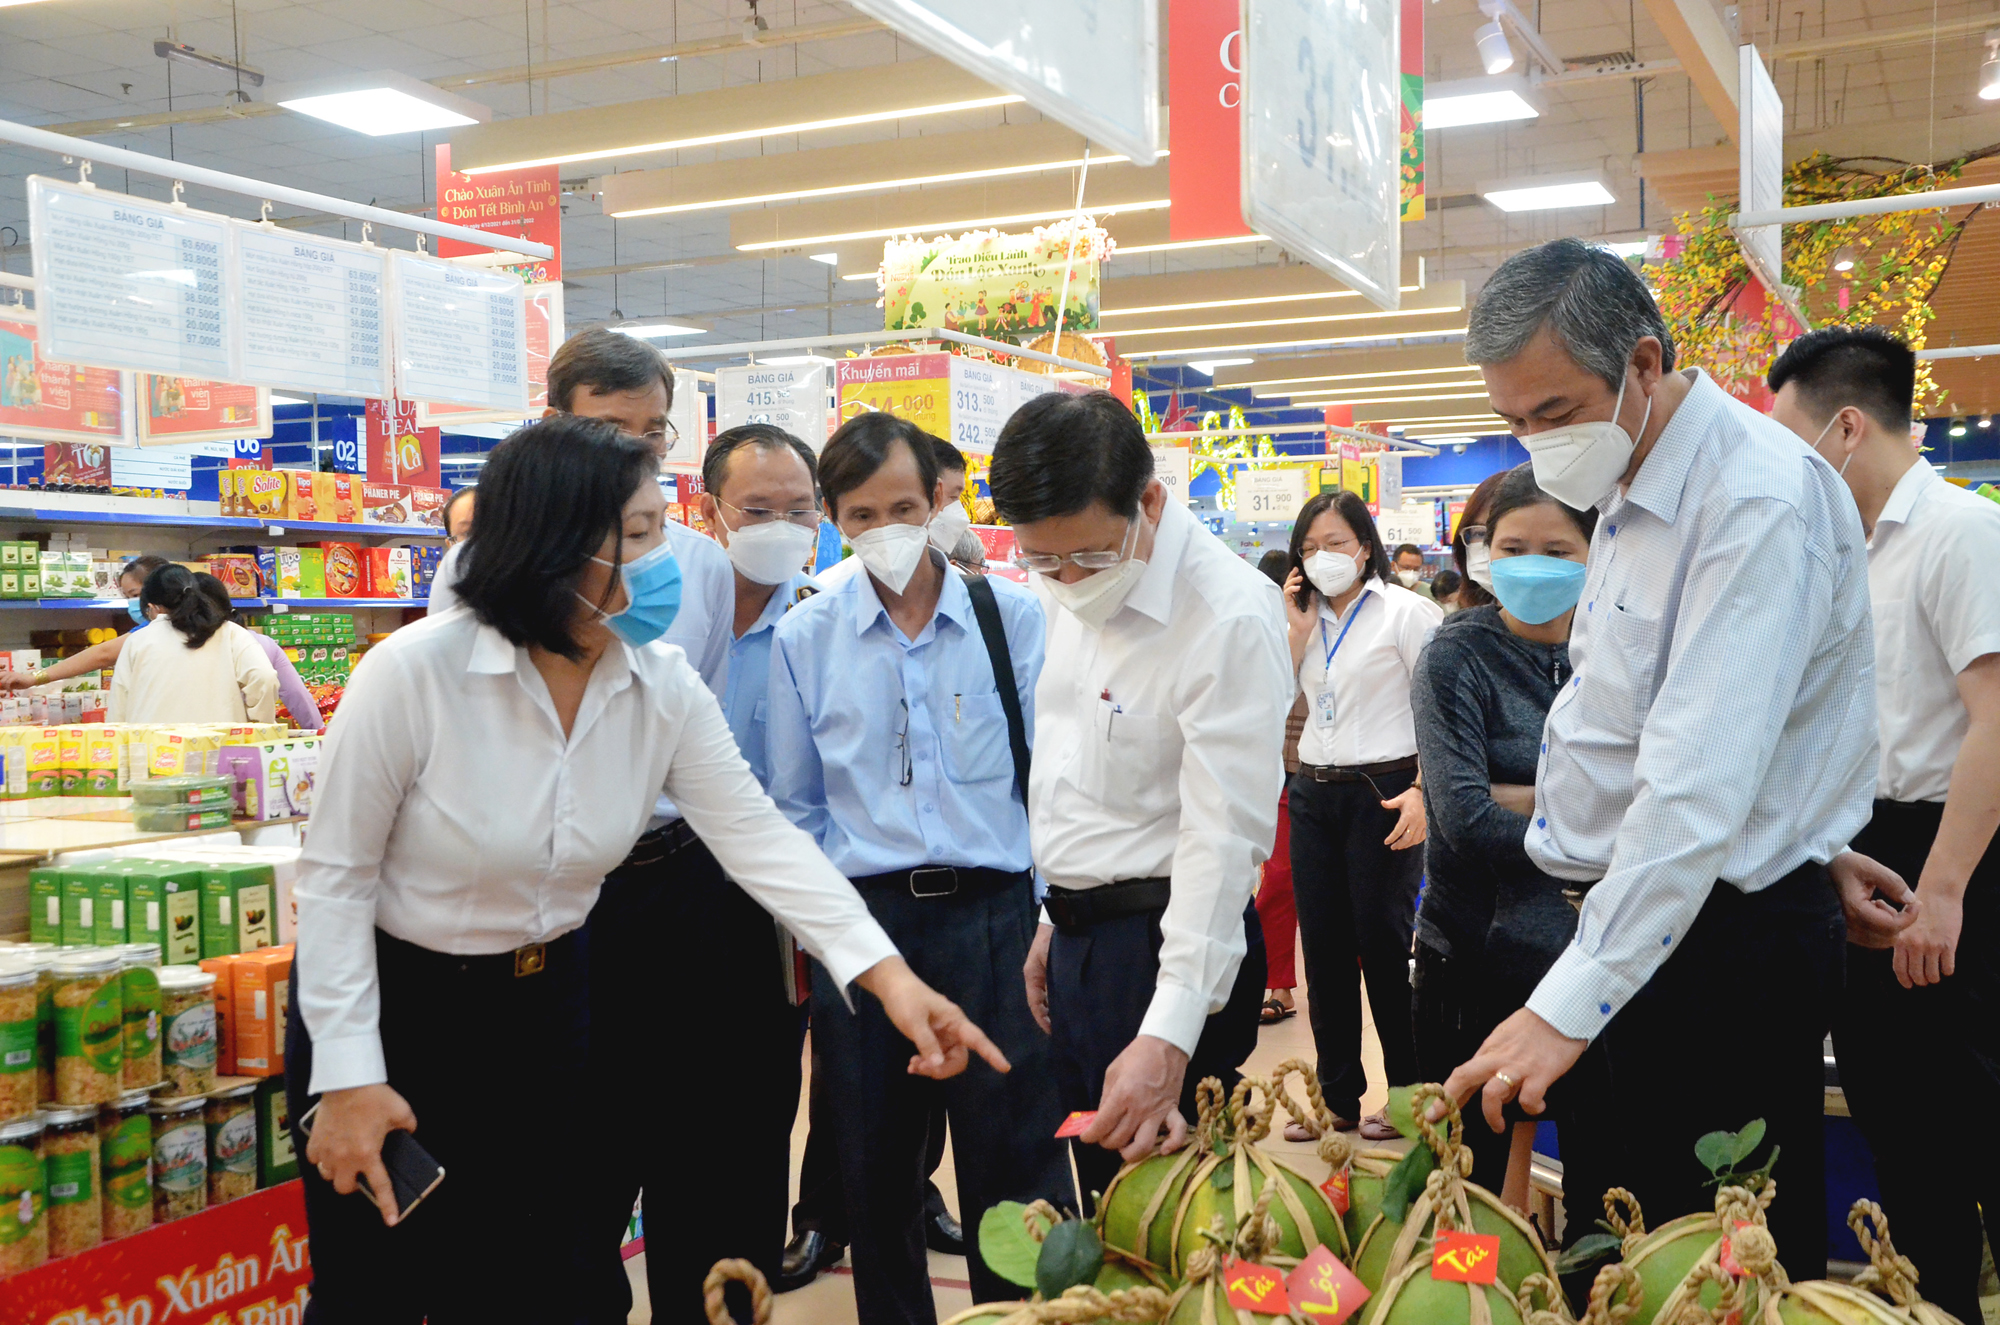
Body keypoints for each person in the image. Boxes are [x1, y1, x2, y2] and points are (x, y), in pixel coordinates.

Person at [289, 415, 1006, 1323]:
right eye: (636, 533)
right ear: (549, 541)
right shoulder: (415, 674)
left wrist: (892, 980)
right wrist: (348, 1076)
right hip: (397, 1011)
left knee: (537, 1282)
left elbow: (762, 840)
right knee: (377, 1290)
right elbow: (336, 880)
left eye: (660, 526)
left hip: (547, 1008)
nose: (666, 558)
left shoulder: (658, 683)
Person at [1441, 238, 1875, 1279]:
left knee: (1706, 1263)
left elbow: (1690, 789)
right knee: (1621, 1239)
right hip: (1644, 921)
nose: (1535, 444)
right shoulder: (1634, 488)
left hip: (1705, 949)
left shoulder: (1749, 499)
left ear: (1641, 362)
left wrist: (1564, 1003)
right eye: (1512, 421)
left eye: (1552, 413)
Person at [766, 412, 1064, 1323]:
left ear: (938, 498)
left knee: (1013, 1159)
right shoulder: (806, 638)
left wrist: (1048, 917)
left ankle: (1019, 1315)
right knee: (876, 1165)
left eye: (905, 504)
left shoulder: (1008, 617)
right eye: (862, 514)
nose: (888, 528)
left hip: (998, 920)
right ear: (833, 519)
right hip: (869, 929)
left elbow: (1052, 783)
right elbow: (795, 811)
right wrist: (830, 942)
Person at [990, 390, 1288, 1196]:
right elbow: (1072, 765)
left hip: (1169, 946)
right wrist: (1058, 913)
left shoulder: (1225, 616)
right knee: (1100, 1198)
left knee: (1176, 1218)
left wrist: (1168, 1035)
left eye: (1086, 555)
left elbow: (1222, 841)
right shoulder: (1072, 587)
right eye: (1043, 561)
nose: (1067, 578)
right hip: (1084, 942)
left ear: (1148, 501)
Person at [1768, 327, 2000, 1322]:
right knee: (1898, 1122)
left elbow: (1995, 713)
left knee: (1977, 1116)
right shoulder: (1838, 549)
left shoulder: (1958, 532)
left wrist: (1943, 887)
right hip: (1863, 853)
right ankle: (1932, 1299)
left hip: (1953, 854)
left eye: (1788, 438)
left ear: (1846, 426)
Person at [1409, 463, 1594, 1208]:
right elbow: (1463, 818)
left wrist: (1522, 794)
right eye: (1512, 548)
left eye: (1557, 549)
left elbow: (1662, 794)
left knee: (1605, 1186)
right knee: (1469, 1191)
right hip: (1473, 957)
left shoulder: (1618, 651)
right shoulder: (1456, 654)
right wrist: (1596, 819)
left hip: (1597, 962)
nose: (1532, 566)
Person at [1278, 490, 1440, 1140]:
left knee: (1383, 943)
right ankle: (1337, 1096)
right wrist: (1292, 631)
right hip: (1314, 790)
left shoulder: (1406, 612)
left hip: (1388, 788)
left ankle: (1406, 1096)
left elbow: (1440, 710)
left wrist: (1427, 792)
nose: (1322, 558)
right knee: (1322, 948)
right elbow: (1268, 697)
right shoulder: (1298, 617)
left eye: (1335, 543)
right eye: (1310, 547)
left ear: (1365, 546)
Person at [109, 564, 278, 724]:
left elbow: (118, 709)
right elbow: (264, 677)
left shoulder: (137, 641)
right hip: (222, 747)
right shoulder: (231, 633)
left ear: (154, 608)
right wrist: (260, 726)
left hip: (157, 749)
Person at [1254, 548, 1304, 1024]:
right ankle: (1278, 985)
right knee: (1277, 880)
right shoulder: (1263, 631)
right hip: (1283, 771)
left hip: (1350, 773)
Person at [818, 434, 970, 588]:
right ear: (832, 514)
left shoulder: (970, 593)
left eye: (903, 509)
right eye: (863, 516)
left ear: (935, 498)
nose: (885, 526)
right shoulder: (825, 594)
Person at [0, 553, 171, 690]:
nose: (133, 603)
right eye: (128, 597)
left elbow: (102, 655)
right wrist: (34, 678)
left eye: (135, 595)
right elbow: (101, 653)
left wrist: (33, 678)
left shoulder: (166, 628)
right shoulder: (150, 628)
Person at [191, 573, 325, 729]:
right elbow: (298, 696)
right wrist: (319, 733)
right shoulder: (261, 643)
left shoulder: (187, 646)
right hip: (254, 739)